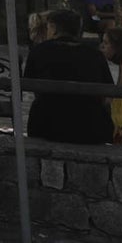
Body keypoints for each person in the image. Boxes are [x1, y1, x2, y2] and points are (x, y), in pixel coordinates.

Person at [23, 9, 113, 145]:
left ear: (53, 29)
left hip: (46, 124)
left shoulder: (40, 51)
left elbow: (29, 84)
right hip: (90, 126)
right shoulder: (94, 54)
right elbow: (107, 90)